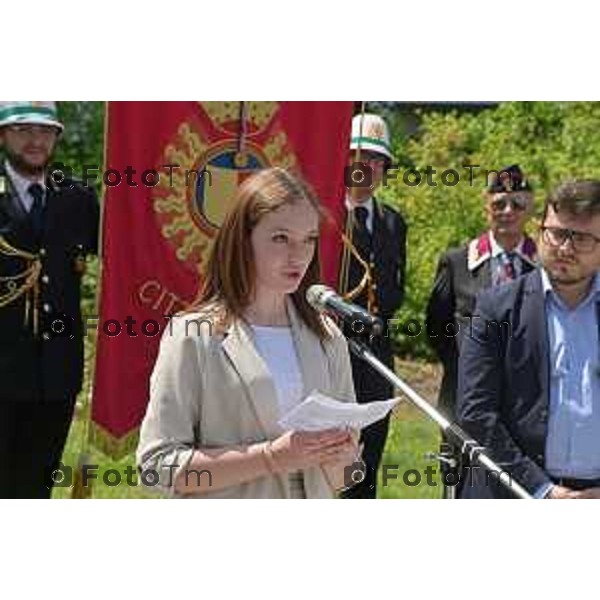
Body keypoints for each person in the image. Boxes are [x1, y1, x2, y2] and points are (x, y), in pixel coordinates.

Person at [136, 167, 359, 499]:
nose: (298, 254)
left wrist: (341, 458)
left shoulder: (327, 336)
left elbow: (347, 478)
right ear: (243, 240)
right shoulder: (192, 335)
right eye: (280, 238)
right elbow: (157, 467)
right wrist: (270, 458)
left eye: (309, 239)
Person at [457, 180, 600, 499]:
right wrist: (543, 490)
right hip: (513, 493)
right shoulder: (496, 307)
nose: (565, 248)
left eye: (582, 238)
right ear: (540, 231)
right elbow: (475, 412)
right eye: (557, 233)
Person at [0, 101, 99, 498]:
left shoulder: (77, 198)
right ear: (3, 135)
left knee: (34, 489)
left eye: (45, 131)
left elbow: (125, 254)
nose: (35, 140)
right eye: (23, 130)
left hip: (55, 376)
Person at [425, 164, 537, 496]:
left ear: (530, 207)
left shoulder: (543, 266)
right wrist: (468, 367)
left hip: (527, 402)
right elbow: (437, 326)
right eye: (499, 203)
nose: (507, 211)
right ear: (486, 204)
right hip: (466, 398)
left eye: (517, 204)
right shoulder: (458, 261)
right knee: (460, 483)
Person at [339, 113, 407, 499]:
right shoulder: (320, 215)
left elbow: (394, 290)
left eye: (376, 161)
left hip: (376, 358)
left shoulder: (393, 222)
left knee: (367, 461)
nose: (367, 167)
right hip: (328, 349)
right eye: (358, 157)